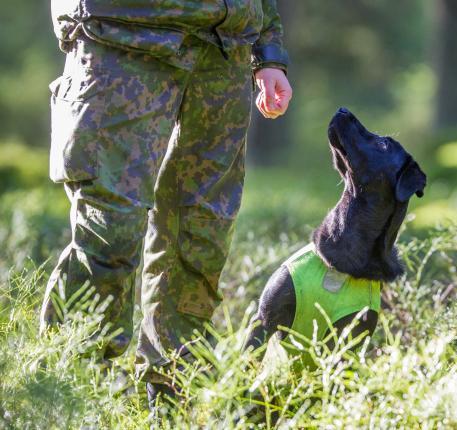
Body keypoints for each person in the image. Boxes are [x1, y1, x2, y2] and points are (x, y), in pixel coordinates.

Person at [40, 0, 292, 405]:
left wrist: (268, 52)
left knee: (198, 237)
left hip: (224, 51)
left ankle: (174, 392)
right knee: (110, 230)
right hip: (125, 37)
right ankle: (71, 391)